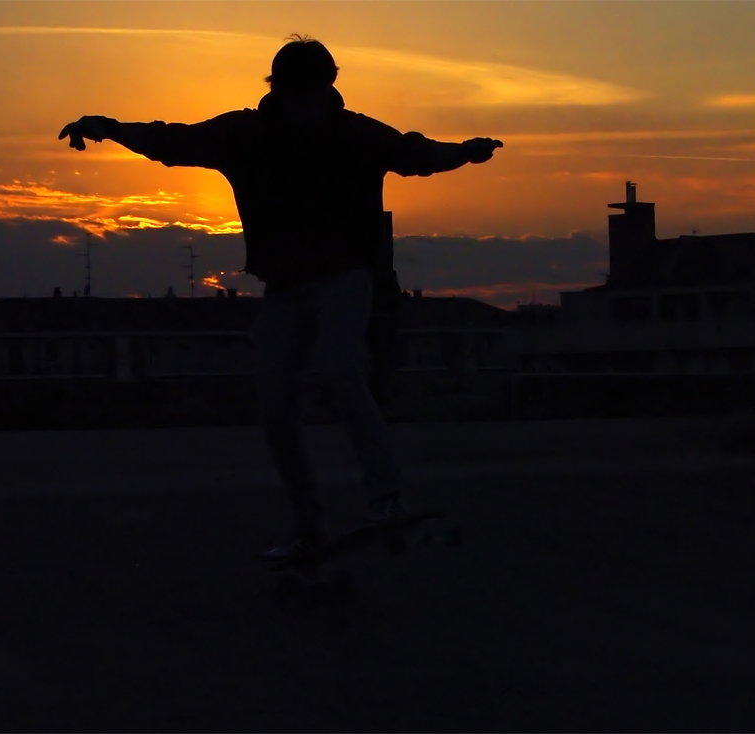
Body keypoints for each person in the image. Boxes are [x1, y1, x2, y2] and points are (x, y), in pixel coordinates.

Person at [59, 36, 503, 561]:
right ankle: (308, 523)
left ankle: (386, 497)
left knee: (339, 368)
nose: (308, 109)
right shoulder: (249, 133)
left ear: (327, 89)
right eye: (300, 96)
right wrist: (108, 128)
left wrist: (464, 154)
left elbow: (415, 154)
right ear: (289, 89)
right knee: (275, 410)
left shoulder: (351, 133)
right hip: (286, 287)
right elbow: (174, 142)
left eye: (314, 96)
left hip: (346, 276)